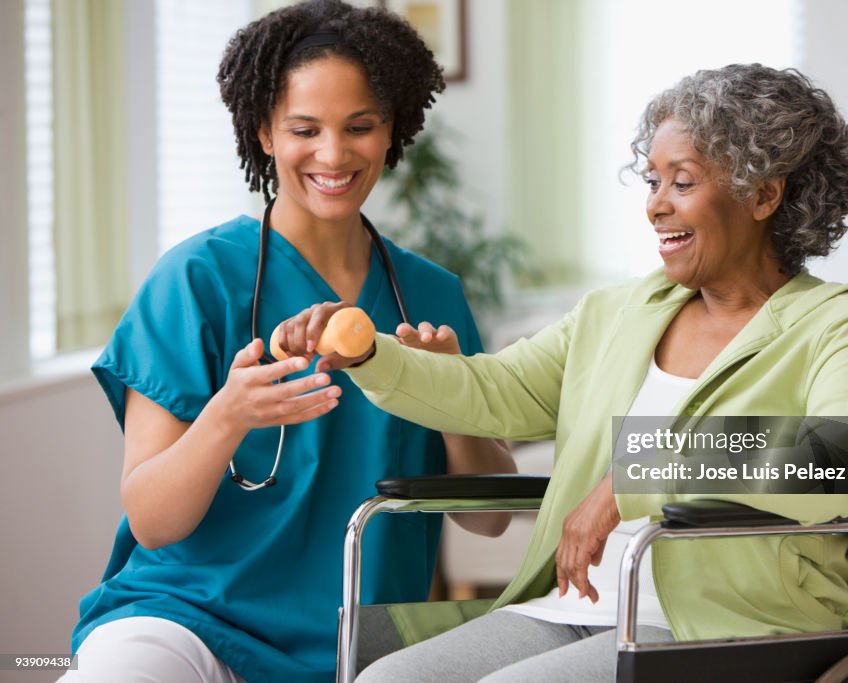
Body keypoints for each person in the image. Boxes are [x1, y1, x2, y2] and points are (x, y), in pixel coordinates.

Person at [275, 64, 848, 682]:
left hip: (726, 623)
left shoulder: (842, 322)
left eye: (681, 182)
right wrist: (369, 354)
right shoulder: (619, 312)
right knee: (389, 677)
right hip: (571, 605)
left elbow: (841, 461)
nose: (656, 206)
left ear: (764, 194)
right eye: (653, 182)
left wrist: (629, 480)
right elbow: (493, 391)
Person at [63, 2, 514, 682]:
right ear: (264, 133)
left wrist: (451, 396)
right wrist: (230, 413)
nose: (333, 154)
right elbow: (153, 521)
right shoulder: (196, 280)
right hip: (190, 621)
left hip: (360, 645)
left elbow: (491, 520)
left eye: (360, 127)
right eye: (305, 129)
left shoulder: (430, 296)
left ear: (391, 130)